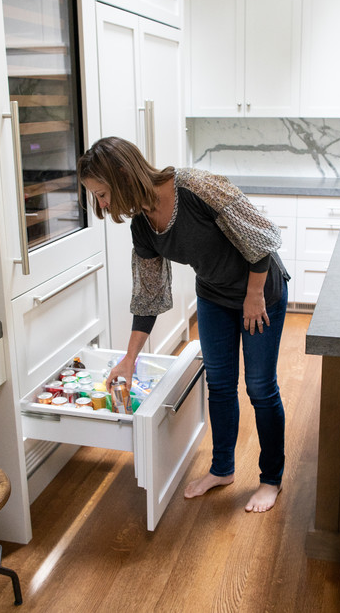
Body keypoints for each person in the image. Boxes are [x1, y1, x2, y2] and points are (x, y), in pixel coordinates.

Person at [78, 136, 290, 513]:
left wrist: (254, 295)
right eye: (97, 197)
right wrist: (129, 359)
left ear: (123, 174)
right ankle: (222, 469)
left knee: (259, 387)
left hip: (259, 290)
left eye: (102, 193)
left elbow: (260, 239)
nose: (102, 204)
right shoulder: (142, 227)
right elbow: (149, 295)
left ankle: (271, 479)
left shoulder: (195, 187)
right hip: (213, 295)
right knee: (221, 385)